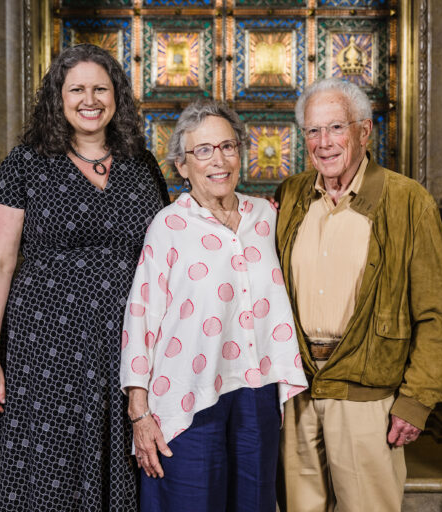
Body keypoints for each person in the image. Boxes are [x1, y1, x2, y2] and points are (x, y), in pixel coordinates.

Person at [0, 44, 169, 512]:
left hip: (128, 345)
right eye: (77, 88)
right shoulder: (25, 165)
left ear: (117, 96)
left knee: (122, 453)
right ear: (57, 98)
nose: (90, 99)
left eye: (101, 88)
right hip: (46, 347)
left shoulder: (142, 165)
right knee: (47, 468)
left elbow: (172, 245)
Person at [274, 78, 442, 512]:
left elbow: (437, 315)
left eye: (336, 128)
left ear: (364, 130)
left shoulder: (408, 200)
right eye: (313, 131)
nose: (324, 143)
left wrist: (415, 402)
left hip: (368, 394)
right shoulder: (292, 195)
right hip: (299, 391)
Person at [120, 99, 308, 512]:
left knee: (254, 502)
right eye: (202, 150)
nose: (218, 160)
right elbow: (140, 318)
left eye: (227, 147)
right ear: (182, 166)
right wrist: (139, 411)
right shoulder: (168, 226)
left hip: (256, 389)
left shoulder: (266, 217)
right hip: (186, 392)